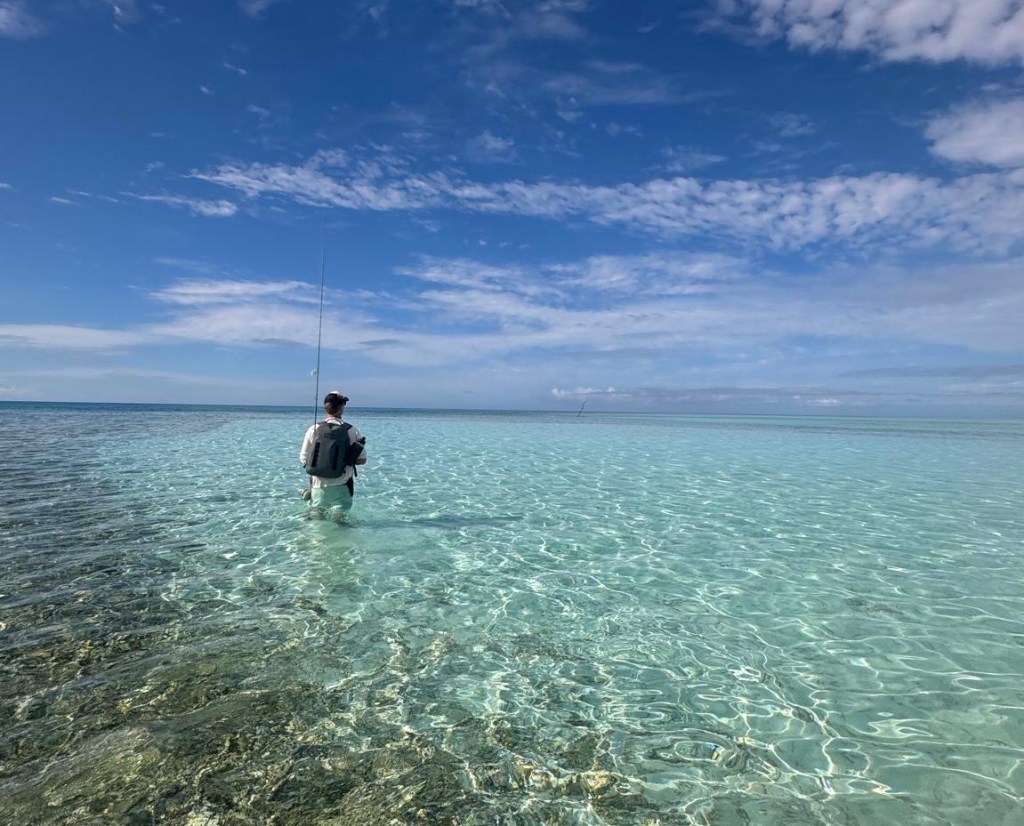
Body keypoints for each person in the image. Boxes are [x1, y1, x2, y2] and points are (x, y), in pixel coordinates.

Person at [299, 390, 367, 521]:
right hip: (343, 487)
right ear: (341, 408)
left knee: (316, 523)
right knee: (341, 525)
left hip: (318, 487)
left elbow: (303, 459)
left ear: (326, 408)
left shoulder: (313, 429)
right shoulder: (352, 430)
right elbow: (362, 460)